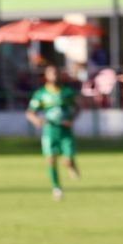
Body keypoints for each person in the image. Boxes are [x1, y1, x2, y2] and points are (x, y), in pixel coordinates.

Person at [25, 64, 80, 201]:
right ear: (47, 76)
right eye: (52, 74)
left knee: (67, 161)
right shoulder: (41, 94)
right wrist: (37, 121)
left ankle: (71, 166)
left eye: (56, 73)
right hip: (50, 130)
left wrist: (72, 119)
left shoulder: (67, 92)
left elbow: (78, 107)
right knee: (51, 160)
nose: (54, 76)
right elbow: (30, 112)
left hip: (65, 130)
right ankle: (56, 187)